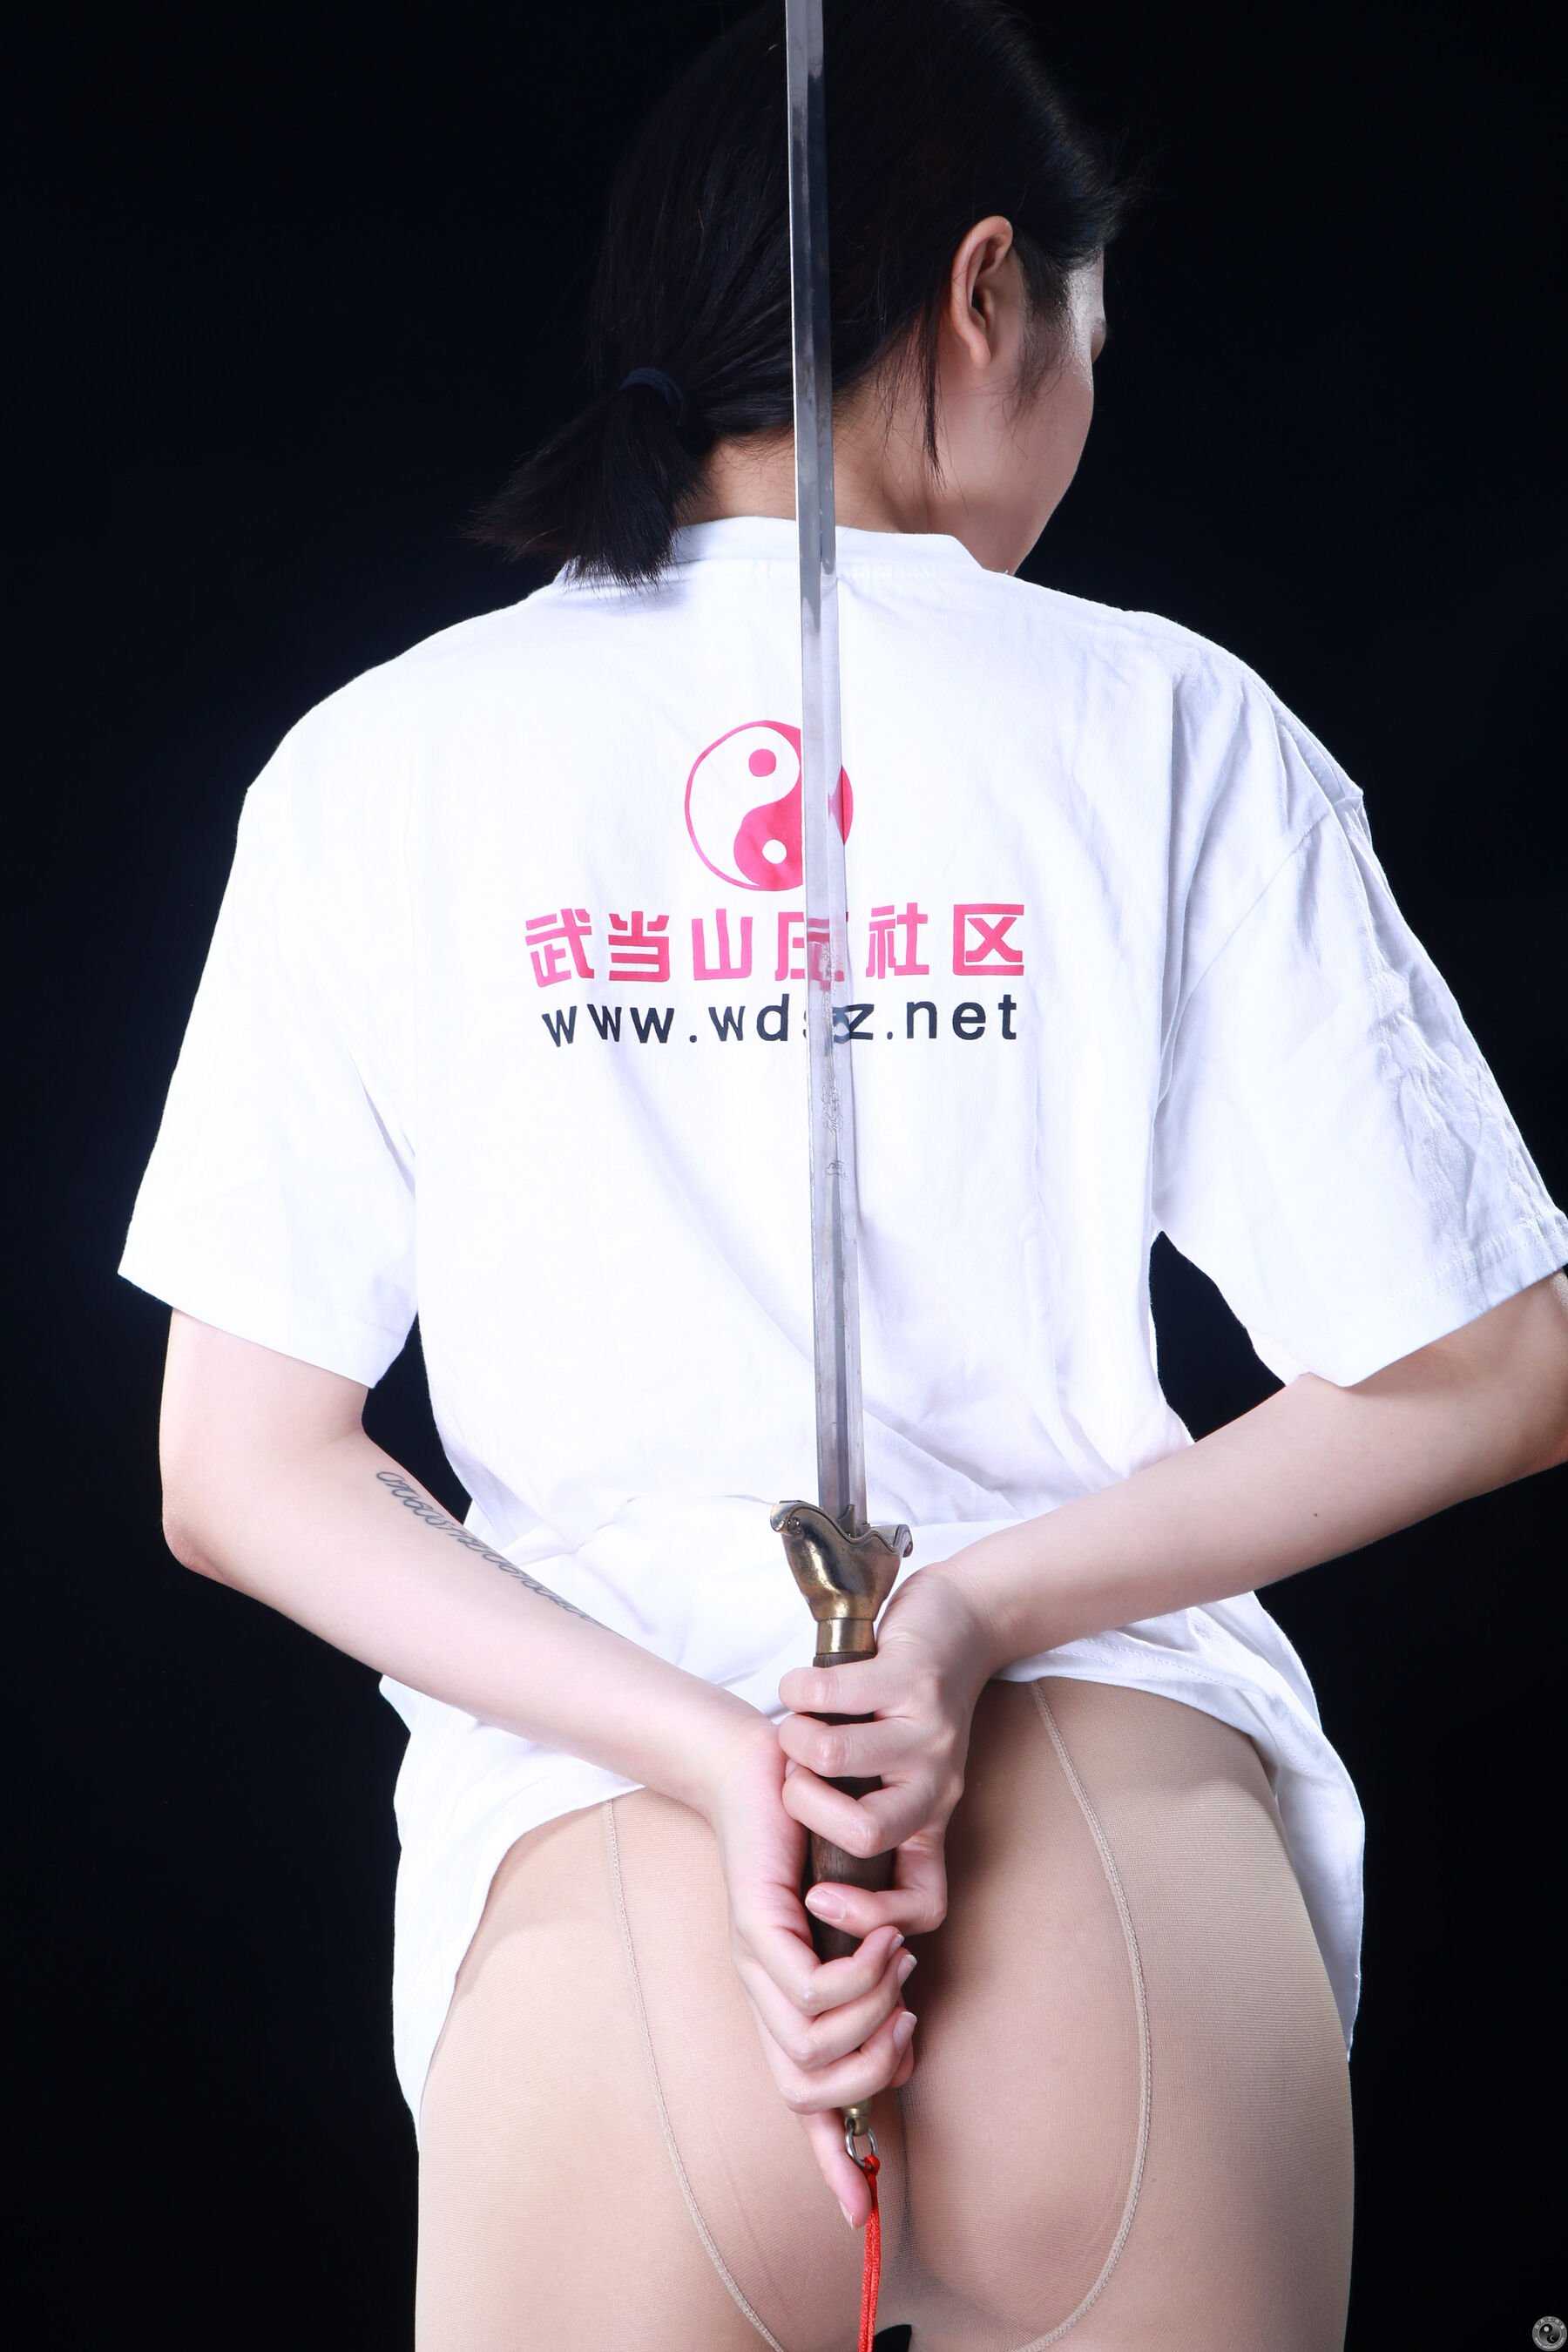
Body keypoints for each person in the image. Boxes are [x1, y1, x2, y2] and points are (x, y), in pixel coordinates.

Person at [117, 3, 1568, 2347]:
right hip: (1120, 1896)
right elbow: (1504, 1365)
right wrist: (976, 1615)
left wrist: (711, 1754)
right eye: (1089, 338)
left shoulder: (378, 765)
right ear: (992, 295)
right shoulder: (1161, 719)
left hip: (612, 1920)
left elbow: (236, 1464)